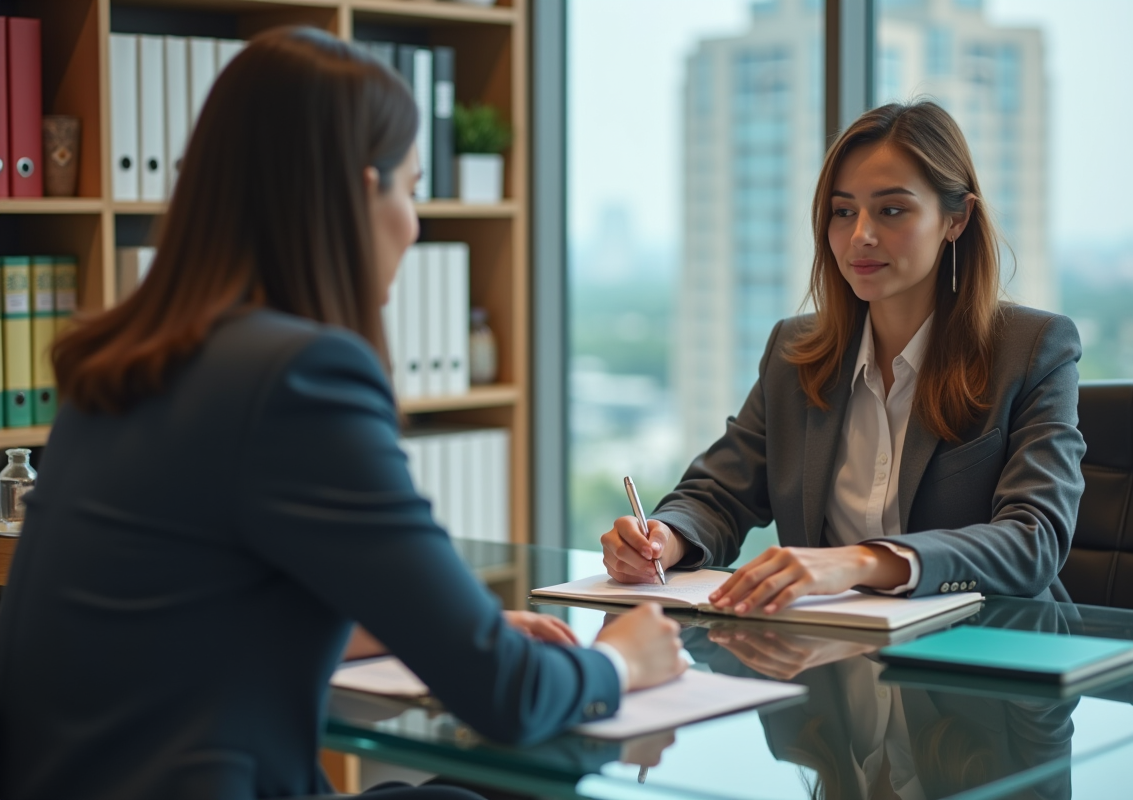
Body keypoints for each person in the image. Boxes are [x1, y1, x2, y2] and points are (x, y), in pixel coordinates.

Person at [0, 27, 686, 800]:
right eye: (412, 187)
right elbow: (506, 696)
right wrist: (624, 659)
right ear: (362, 192)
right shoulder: (298, 377)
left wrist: (453, 639)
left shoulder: (124, 366)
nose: (416, 225)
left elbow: (193, 618)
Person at [601, 101, 1086, 611]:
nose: (861, 236)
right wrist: (664, 538)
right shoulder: (794, 354)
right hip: (828, 656)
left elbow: (1034, 539)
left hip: (984, 659)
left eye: (891, 210)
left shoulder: (1033, 349)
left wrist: (858, 562)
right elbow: (718, 494)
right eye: (844, 211)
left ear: (956, 219)